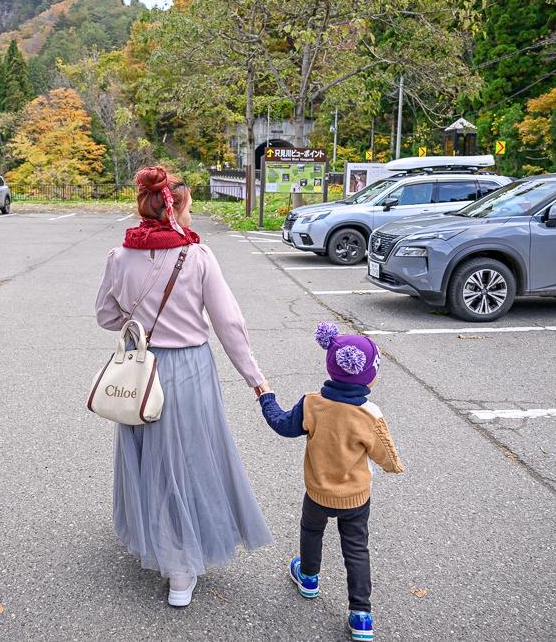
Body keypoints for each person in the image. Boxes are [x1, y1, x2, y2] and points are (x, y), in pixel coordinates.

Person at [94, 166, 273, 607]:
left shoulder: (120, 257)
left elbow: (106, 316)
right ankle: (180, 572)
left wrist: (140, 326)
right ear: (174, 209)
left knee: (150, 459)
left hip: (143, 370)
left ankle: (156, 542)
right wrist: (256, 379)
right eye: (190, 209)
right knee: (189, 460)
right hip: (190, 369)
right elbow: (230, 324)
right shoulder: (197, 257)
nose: (193, 218)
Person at [258, 322, 404, 641]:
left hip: (317, 494)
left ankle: (308, 578)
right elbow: (387, 456)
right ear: (370, 375)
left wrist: (266, 396)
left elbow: (283, 424)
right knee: (355, 548)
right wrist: (394, 467)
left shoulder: (313, 403)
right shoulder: (370, 414)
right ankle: (361, 615)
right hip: (356, 497)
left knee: (312, 530)